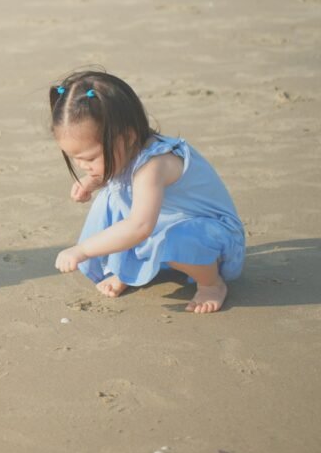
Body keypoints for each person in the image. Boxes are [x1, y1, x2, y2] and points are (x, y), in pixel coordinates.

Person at [49, 70, 244, 313]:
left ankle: (211, 284)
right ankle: (127, 271)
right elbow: (124, 184)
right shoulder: (127, 150)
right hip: (162, 223)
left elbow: (140, 227)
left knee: (153, 230)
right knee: (111, 197)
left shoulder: (154, 165)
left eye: (89, 157)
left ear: (127, 137)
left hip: (210, 235)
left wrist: (83, 249)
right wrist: (93, 180)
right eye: (74, 158)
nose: (81, 165)